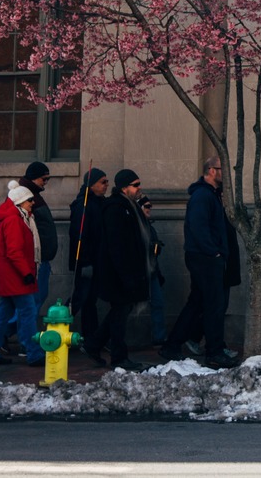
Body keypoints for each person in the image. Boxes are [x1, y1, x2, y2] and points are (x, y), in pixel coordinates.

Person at [162, 157, 237, 368]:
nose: (226, 174)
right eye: (222, 170)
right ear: (212, 171)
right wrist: (213, 252)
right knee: (213, 304)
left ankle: (172, 345)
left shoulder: (211, 195)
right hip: (204, 258)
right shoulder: (203, 195)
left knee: (197, 303)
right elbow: (198, 226)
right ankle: (214, 351)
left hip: (204, 257)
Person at [95, 168, 151, 370]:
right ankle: (119, 356)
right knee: (119, 315)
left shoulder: (129, 206)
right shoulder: (116, 208)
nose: (139, 188)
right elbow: (117, 246)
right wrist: (126, 275)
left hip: (127, 272)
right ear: (124, 187)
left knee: (119, 312)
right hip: (118, 274)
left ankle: (94, 344)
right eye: (135, 185)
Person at [0, 183, 46, 367]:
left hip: (11, 278)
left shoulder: (15, 218)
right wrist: (26, 273)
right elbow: (14, 251)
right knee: (27, 313)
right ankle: (33, 353)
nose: (32, 203)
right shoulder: (14, 221)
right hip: (16, 278)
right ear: (19, 202)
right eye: (29, 200)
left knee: (3, 315)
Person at [68, 168, 109, 347]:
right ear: (91, 185)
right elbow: (79, 235)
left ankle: (90, 337)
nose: (106, 185)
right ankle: (56, 330)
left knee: (89, 301)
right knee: (79, 298)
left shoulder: (100, 203)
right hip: (86, 262)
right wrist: (84, 262)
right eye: (103, 182)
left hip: (97, 261)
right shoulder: (83, 206)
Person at [17, 162, 58, 310]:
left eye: (48, 179)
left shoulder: (34, 196)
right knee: (34, 299)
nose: (46, 183)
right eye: (43, 179)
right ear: (34, 178)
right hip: (36, 258)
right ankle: (9, 330)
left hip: (41, 256)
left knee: (35, 299)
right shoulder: (26, 197)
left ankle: (6, 330)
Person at [140, 194, 168, 346]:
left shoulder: (149, 226)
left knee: (158, 303)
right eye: (147, 206)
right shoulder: (138, 225)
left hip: (152, 271)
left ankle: (159, 336)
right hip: (141, 272)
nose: (150, 209)